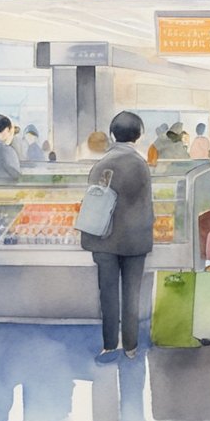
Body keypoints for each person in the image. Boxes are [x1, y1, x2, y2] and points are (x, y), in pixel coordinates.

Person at [82, 111, 153, 363]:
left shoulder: (101, 164)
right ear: (139, 135)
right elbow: (145, 206)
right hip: (134, 240)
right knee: (132, 293)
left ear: (112, 134)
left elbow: (93, 200)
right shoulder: (140, 165)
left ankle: (109, 345)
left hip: (104, 239)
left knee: (108, 293)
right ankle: (131, 346)